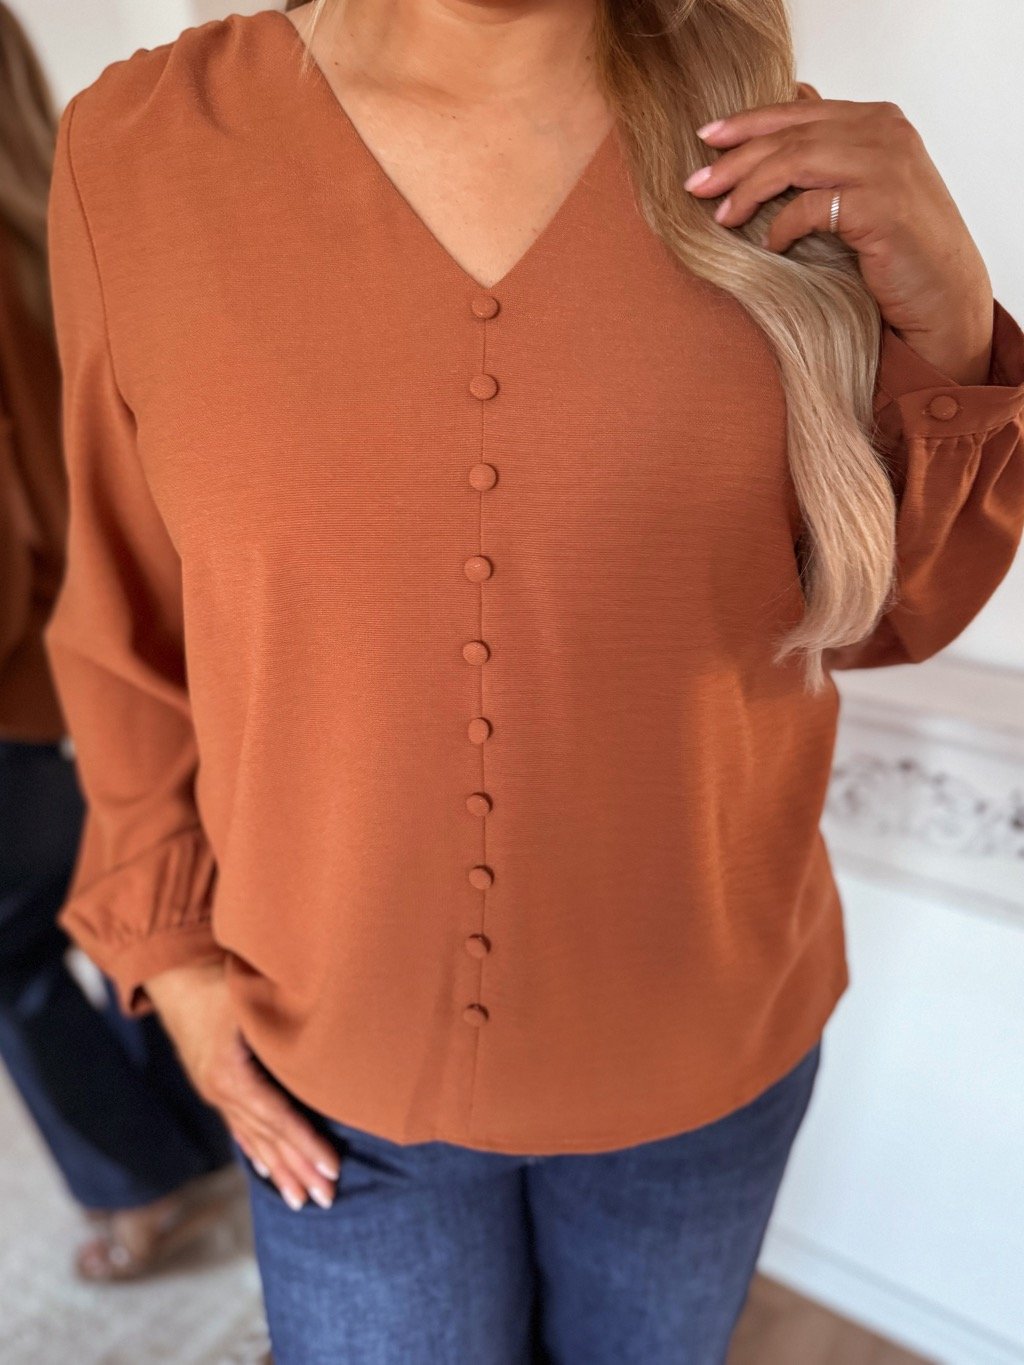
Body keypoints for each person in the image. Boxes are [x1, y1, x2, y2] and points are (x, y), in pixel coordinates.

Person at [43, 0, 1024, 1359]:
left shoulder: (781, 165)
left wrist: (956, 326)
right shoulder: (141, 149)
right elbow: (121, 615)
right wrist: (175, 960)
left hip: (705, 1056)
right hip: (328, 1063)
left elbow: (883, 616)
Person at [0, 1, 241, 1283]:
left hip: (22, 676)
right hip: (127, 651)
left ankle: (140, 1184)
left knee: (19, 953)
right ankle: (195, 1125)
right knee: (136, 903)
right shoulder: (69, 221)